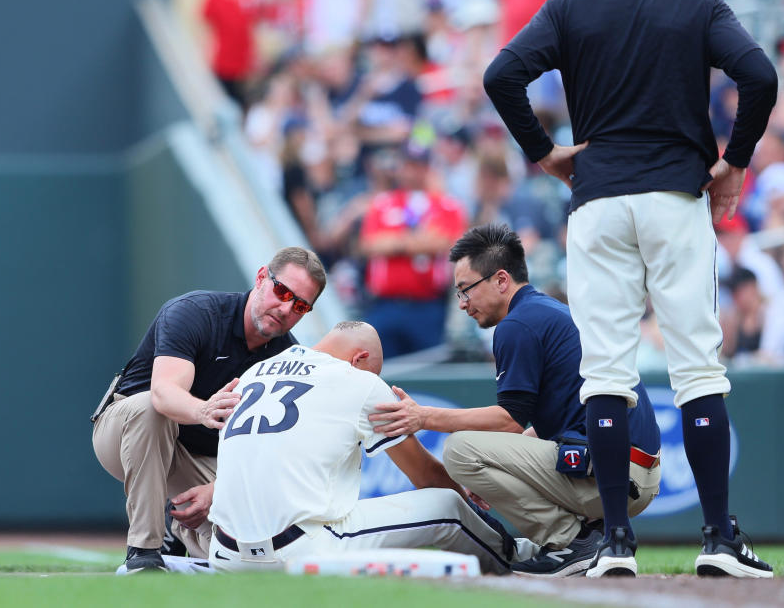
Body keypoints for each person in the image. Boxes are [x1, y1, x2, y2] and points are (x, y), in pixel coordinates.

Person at [482, 0, 778, 578]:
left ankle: (613, 542)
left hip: (598, 200)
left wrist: (543, 153)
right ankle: (716, 538)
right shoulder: (696, 0)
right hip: (675, 196)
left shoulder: (571, 2)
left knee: (605, 374)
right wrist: (733, 160)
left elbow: (501, 75)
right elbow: (758, 76)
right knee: (697, 368)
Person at [369, 223, 661, 577]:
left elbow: (508, 419)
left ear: (501, 280)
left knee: (461, 451)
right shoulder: (544, 311)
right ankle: (585, 538)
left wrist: (423, 417)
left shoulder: (517, 324)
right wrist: (497, 470)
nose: (462, 304)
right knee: (475, 456)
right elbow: (557, 415)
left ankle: (572, 541)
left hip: (614, 471)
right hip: (630, 470)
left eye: (466, 290)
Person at [203, 321, 537, 573]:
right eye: (373, 370)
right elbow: (425, 476)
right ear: (360, 358)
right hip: (300, 551)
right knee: (449, 505)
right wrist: (469, 501)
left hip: (223, 554)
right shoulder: (358, 380)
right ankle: (520, 559)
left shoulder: (253, 372)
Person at [92, 247, 327, 572]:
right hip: (125, 435)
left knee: (250, 554)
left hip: (200, 461)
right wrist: (203, 411)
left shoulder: (289, 359)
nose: (286, 308)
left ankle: (181, 533)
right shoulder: (196, 312)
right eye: (282, 291)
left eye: (300, 305)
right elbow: (163, 393)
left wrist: (216, 492)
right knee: (150, 409)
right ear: (261, 278)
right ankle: (143, 552)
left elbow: (271, 451)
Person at [359, 141, 467, 358]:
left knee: (426, 372)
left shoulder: (446, 205)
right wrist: (416, 242)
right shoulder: (383, 203)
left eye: (418, 165)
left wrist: (395, 243)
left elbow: (449, 243)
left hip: (427, 305)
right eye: (408, 165)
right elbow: (370, 244)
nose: (412, 172)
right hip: (386, 304)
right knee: (379, 368)